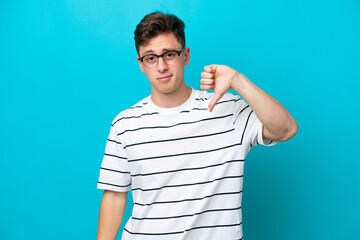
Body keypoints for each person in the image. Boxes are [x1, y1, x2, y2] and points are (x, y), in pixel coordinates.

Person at [96, 11, 298, 240]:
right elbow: (114, 195)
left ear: (185, 56)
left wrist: (237, 81)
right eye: (150, 58)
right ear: (140, 64)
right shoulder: (125, 124)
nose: (161, 66)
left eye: (169, 54)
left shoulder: (227, 109)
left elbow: (287, 129)